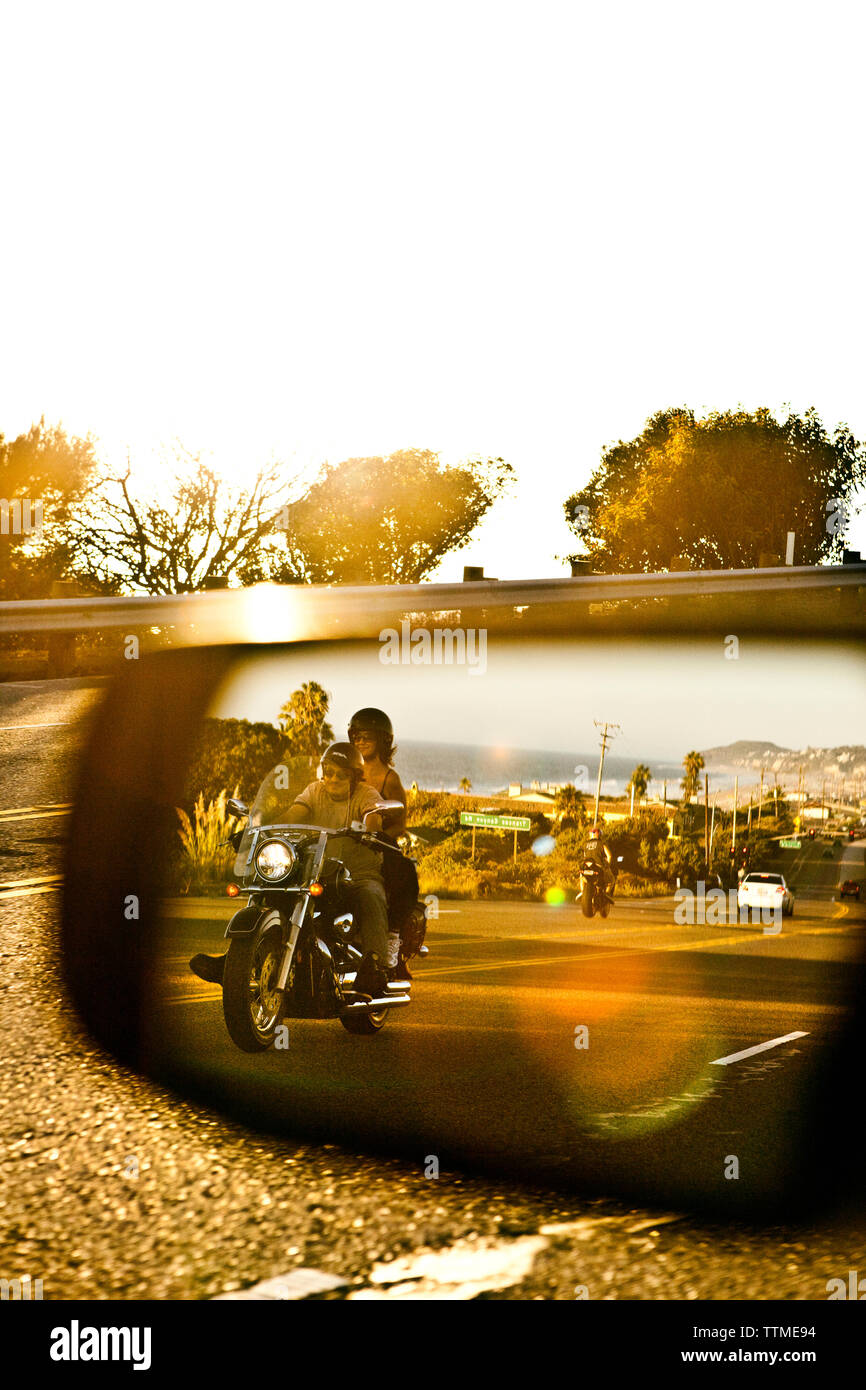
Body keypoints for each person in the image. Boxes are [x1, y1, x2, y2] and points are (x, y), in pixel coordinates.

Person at [190, 742, 390, 998]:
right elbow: (295, 813)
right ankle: (234, 962)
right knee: (273, 889)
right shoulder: (314, 791)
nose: (333, 779)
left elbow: (373, 816)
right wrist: (264, 832)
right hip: (315, 870)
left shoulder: (366, 794)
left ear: (354, 777)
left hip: (355, 874)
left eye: (341, 774)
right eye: (329, 772)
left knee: (371, 895)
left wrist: (370, 830)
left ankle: (374, 967)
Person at [348, 708, 419, 976]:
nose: (361, 742)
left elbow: (400, 822)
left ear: (382, 741)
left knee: (404, 875)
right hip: (344, 842)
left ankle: (393, 937)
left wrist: (378, 839)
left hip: (377, 843)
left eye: (367, 737)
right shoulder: (345, 772)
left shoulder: (390, 778)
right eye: (356, 736)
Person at [585, 823, 616, 898]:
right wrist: (607, 865)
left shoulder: (585, 844)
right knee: (611, 881)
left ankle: (583, 892)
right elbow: (609, 856)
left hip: (586, 867)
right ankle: (607, 895)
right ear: (599, 834)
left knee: (582, 879)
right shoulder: (602, 843)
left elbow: (584, 856)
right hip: (598, 866)